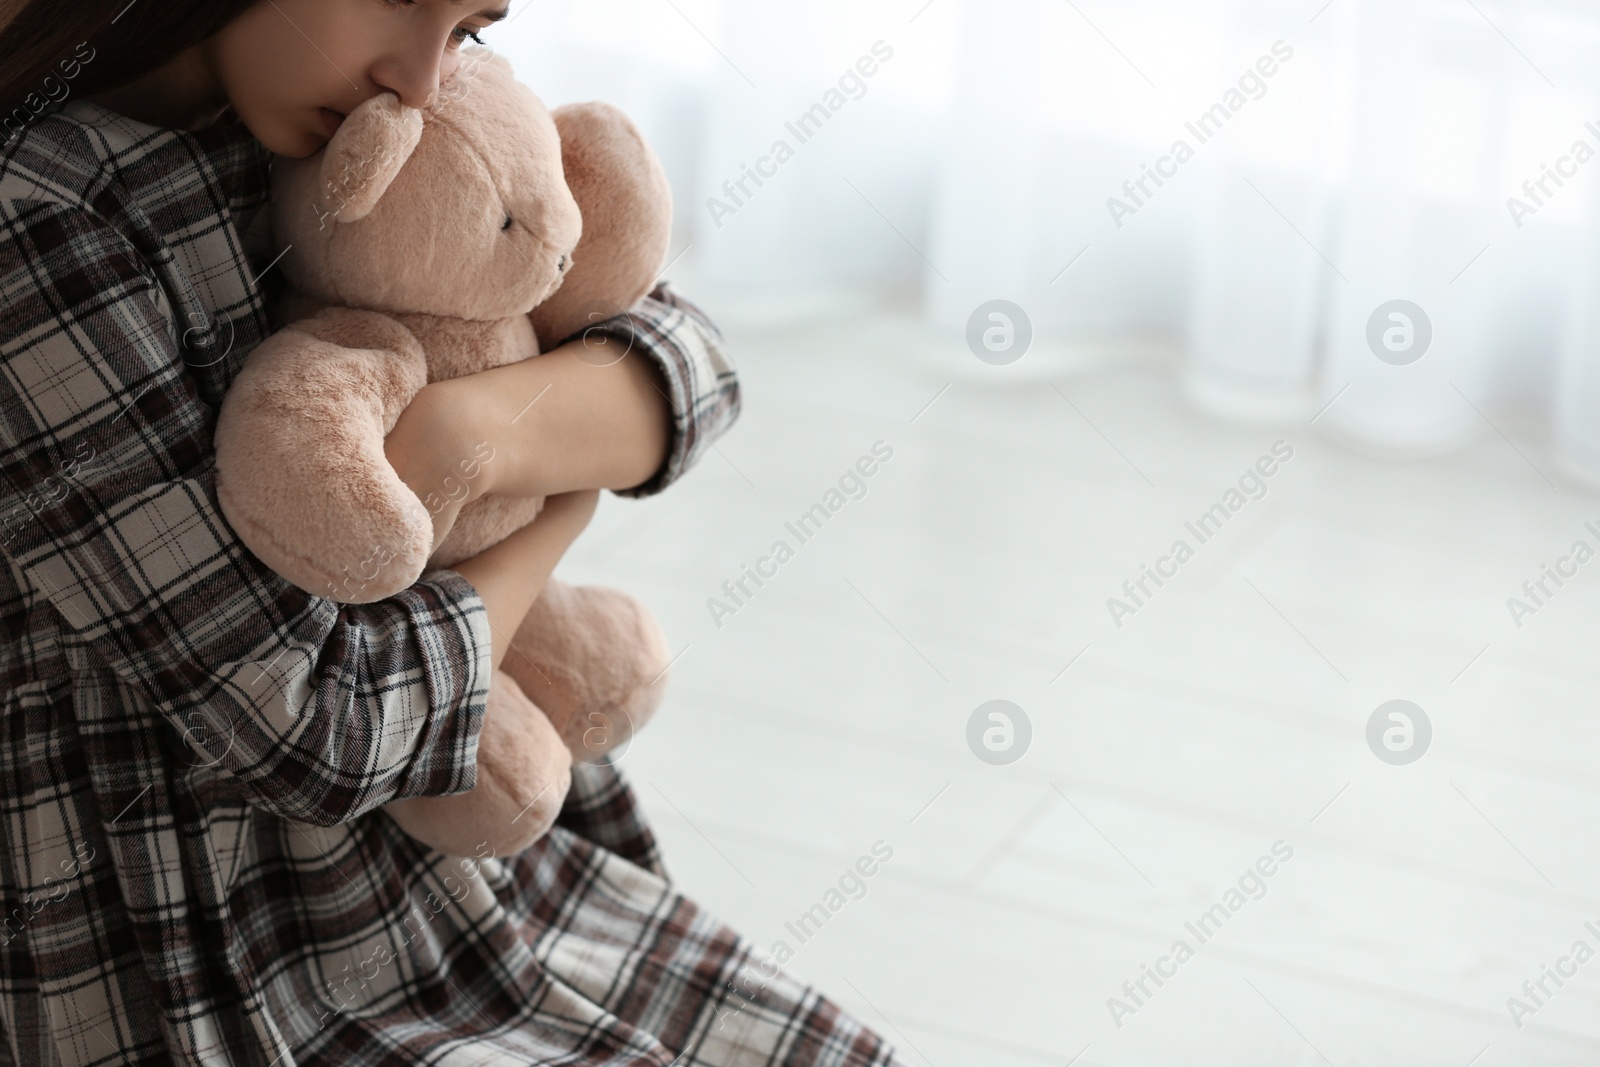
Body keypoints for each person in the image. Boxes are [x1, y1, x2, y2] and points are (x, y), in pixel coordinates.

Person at [0, 3, 907, 1064]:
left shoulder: (363, 104)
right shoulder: (41, 215)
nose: (425, 78)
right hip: (199, 935)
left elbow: (688, 359)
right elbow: (314, 725)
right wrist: (556, 507)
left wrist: (465, 433)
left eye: (468, 26)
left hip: (461, 866)